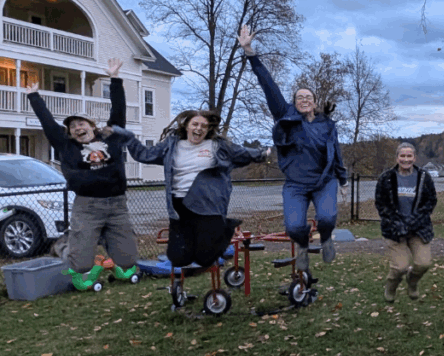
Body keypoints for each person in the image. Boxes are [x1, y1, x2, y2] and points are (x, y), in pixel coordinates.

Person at [238, 25, 347, 273]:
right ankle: (301, 246)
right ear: (294, 102)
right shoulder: (284, 116)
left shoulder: (327, 125)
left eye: (308, 97)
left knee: (328, 219)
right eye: (300, 98)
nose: (304, 100)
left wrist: (343, 181)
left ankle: (327, 239)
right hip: (296, 184)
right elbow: (268, 85)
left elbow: (336, 153)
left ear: (315, 103)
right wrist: (249, 52)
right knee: (294, 226)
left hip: (323, 182)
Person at [26, 59, 139, 290]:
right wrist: (34, 97)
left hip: (117, 205)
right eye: (73, 126)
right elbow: (48, 124)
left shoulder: (111, 138)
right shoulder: (66, 146)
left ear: (92, 125)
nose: (78, 128)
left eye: (82, 123)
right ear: (69, 133)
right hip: (87, 207)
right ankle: (63, 246)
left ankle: (114, 258)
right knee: (80, 264)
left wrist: (115, 79)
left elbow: (118, 112)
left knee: (128, 262)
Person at [122, 111, 269, 274]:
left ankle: (225, 227)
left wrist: (263, 153)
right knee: (178, 258)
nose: (199, 129)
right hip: (178, 205)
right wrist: (128, 137)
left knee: (206, 258)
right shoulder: (171, 145)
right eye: (195, 124)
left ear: (208, 130)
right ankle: (219, 231)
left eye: (204, 126)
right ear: (186, 126)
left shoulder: (217, 145)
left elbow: (242, 153)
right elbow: (145, 154)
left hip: (206, 203)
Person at [375, 143, 437, 302]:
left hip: (419, 228)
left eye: (409, 156)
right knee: (400, 267)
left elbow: (431, 201)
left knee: (423, 264)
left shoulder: (424, 177)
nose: (406, 159)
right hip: (394, 229)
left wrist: (414, 220)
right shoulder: (386, 177)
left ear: (414, 158)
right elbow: (381, 204)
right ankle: (391, 286)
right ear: (397, 158)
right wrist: (396, 222)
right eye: (402, 156)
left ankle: (413, 281)